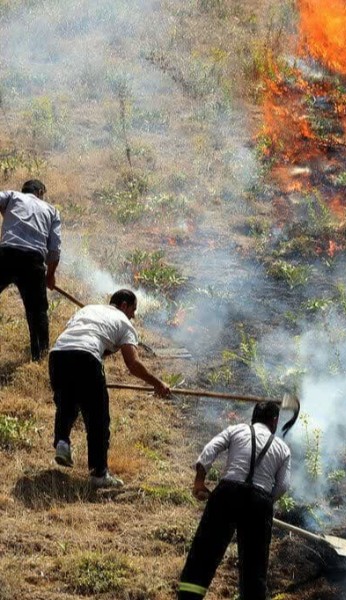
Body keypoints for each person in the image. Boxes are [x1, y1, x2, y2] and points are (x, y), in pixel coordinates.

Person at [49, 289, 171, 488]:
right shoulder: (125, 323)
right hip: (86, 357)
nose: (133, 315)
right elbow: (133, 364)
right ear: (124, 305)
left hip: (58, 355)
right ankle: (99, 474)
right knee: (97, 418)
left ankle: (62, 442)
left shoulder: (88, 309)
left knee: (66, 403)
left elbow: (78, 337)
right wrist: (158, 383)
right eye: (133, 310)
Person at [177, 401, 291, 600]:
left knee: (204, 553)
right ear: (274, 421)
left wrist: (199, 482)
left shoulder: (236, 430)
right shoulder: (283, 449)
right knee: (255, 566)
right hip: (260, 500)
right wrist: (264, 503)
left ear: (253, 417)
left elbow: (210, 449)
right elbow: (283, 486)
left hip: (227, 493)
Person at [0, 179, 62, 361]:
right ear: (40, 192)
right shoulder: (51, 211)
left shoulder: (13, 197)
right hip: (33, 262)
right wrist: (50, 276)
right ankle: (40, 356)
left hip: (6, 254)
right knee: (37, 312)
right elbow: (54, 249)